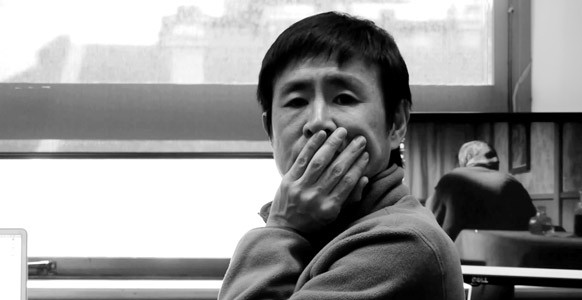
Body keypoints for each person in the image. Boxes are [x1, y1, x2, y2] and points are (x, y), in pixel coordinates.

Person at [218, 11, 464, 300]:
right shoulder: (317, 231)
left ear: (396, 123)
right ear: (269, 130)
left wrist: (282, 226)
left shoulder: (404, 243)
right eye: (296, 101)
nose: (318, 120)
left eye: (344, 98)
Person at [425, 140, 537, 241]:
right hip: (507, 258)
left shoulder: (450, 180)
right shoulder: (512, 183)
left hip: (458, 257)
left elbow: (429, 226)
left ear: (466, 159)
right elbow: (532, 224)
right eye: (490, 155)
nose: (496, 159)